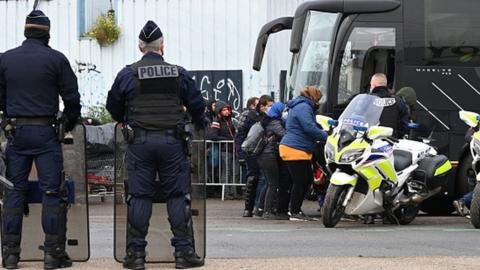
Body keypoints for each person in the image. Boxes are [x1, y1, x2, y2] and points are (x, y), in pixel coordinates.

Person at [106, 20, 206, 269]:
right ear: (162, 46)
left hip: (140, 142)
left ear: (141, 47)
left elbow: (113, 107)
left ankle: (136, 255)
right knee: (176, 195)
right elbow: (198, 106)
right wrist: (196, 122)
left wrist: (127, 119)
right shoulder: (178, 73)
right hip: (172, 142)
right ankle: (183, 253)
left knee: (140, 196)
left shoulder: (127, 73)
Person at [0, 10, 81, 269]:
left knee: (13, 193)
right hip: (46, 134)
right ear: (47, 33)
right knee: (51, 193)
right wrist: (67, 123)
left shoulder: (5, 60)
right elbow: (72, 98)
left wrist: (6, 120)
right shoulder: (56, 59)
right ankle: (52, 253)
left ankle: (10, 255)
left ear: (26, 31)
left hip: (17, 134)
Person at [280, 86, 328, 221]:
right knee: (301, 181)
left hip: (296, 148)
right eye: (319, 99)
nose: (319, 102)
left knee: (305, 180)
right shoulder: (304, 107)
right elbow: (309, 127)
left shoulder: (301, 106)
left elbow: (312, 125)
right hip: (295, 148)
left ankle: (295, 210)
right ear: (314, 97)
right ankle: (294, 211)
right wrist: (327, 136)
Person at [236, 95, 273, 217]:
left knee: (264, 179)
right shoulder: (249, 115)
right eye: (269, 105)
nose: (270, 108)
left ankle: (259, 206)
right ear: (261, 106)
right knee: (253, 178)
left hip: (263, 150)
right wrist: (241, 153)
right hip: (251, 150)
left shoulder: (269, 116)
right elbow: (240, 134)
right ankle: (248, 208)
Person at [257, 102, 290, 220]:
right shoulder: (274, 122)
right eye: (284, 110)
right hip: (269, 155)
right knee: (272, 183)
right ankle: (267, 211)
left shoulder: (268, 120)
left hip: (265, 155)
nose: (285, 112)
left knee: (269, 183)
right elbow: (284, 134)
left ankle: (260, 209)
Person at [369, 73, 409, 138]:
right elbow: (404, 124)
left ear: (373, 85)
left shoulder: (367, 100)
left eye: (370, 85)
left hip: (370, 141)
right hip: (391, 141)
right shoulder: (398, 101)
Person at [236, 97, 258, 184]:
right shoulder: (247, 115)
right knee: (250, 173)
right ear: (252, 105)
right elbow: (240, 135)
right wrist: (240, 154)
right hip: (248, 149)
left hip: (252, 149)